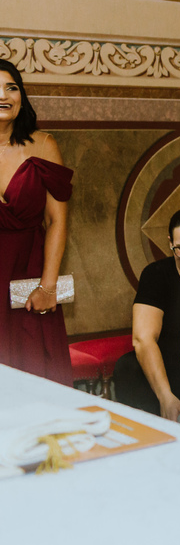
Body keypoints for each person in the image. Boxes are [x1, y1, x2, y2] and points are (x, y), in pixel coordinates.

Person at [0, 60, 73, 385]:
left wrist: (48, 286)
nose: (3, 95)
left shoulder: (44, 145)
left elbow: (57, 221)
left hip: (28, 276)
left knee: (34, 375)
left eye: (11, 87)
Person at [113, 207, 180, 421]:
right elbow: (143, 339)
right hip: (164, 373)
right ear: (170, 242)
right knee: (128, 367)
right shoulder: (156, 275)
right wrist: (165, 397)